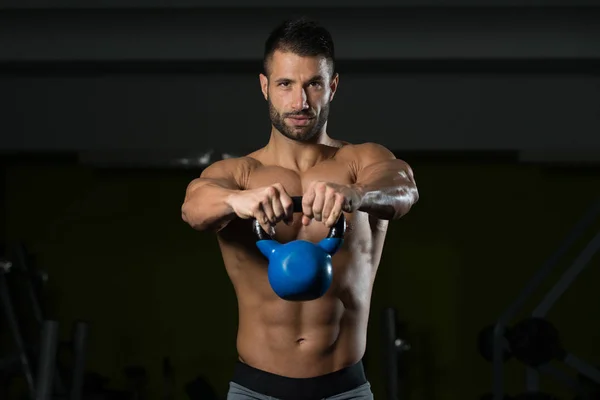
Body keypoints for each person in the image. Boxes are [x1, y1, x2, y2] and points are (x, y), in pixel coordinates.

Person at [181, 17, 419, 400]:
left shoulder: (360, 162)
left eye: (314, 84)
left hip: (345, 389)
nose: (300, 102)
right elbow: (193, 207)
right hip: (254, 390)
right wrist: (235, 200)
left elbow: (404, 188)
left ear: (332, 86)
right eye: (286, 84)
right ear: (265, 87)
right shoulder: (238, 174)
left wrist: (355, 195)